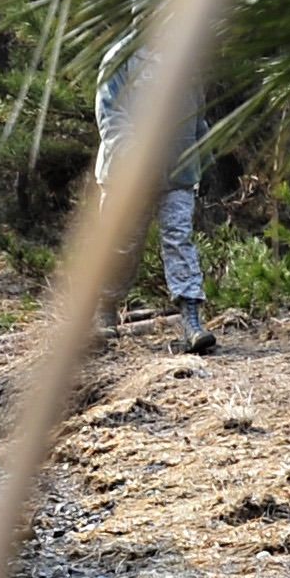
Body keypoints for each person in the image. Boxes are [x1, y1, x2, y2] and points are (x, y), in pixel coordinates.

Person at [94, 35, 217, 353]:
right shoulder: (120, 58)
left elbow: (196, 113)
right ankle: (104, 313)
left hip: (177, 170)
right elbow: (110, 117)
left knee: (180, 241)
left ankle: (192, 321)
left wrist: (203, 155)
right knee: (121, 245)